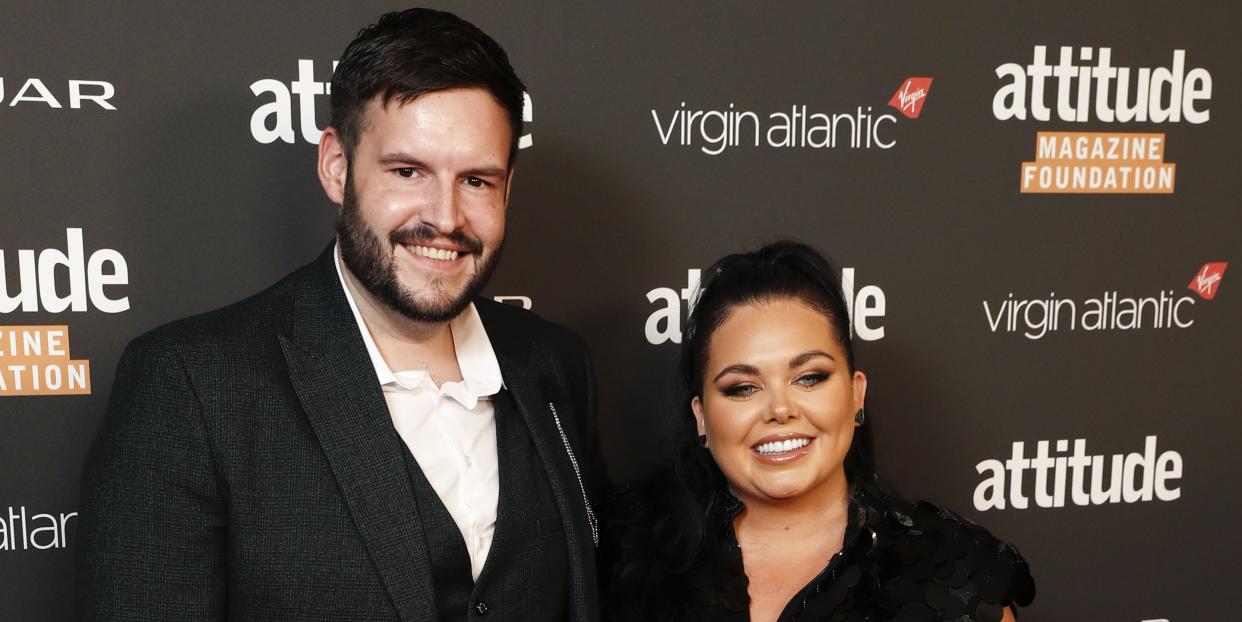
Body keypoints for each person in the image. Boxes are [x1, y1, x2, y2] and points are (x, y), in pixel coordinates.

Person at [77, 8, 602, 622]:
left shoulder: (556, 364)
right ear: (336, 166)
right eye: (408, 171)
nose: (447, 217)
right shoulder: (189, 384)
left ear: (507, 187)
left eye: (477, 182)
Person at [602, 241, 1034, 622]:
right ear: (701, 416)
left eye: (809, 377)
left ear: (855, 393)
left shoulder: (957, 580)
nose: (780, 409)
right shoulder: (621, 556)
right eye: (743, 387)